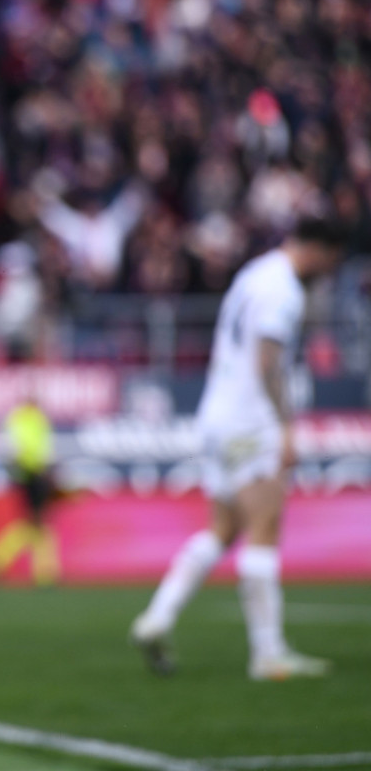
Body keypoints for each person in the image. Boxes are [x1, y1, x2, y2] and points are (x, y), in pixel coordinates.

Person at [129, 216, 346, 681]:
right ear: (318, 248)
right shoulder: (283, 288)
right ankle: (268, 653)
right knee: (265, 526)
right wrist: (287, 427)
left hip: (217, 415)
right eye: (330, 260)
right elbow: (268, 361)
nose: (329, 270)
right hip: (252, 419)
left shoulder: (255, 272)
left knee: (223, 528)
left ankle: (158, 617)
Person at [0, 395, 60, 586]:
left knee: (36, 523)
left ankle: (43, 572)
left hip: (30, 474)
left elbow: (16, 449)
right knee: (36, 522)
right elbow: (33, 449)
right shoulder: (31, 419)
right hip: (33, 474)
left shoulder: (22, 418)